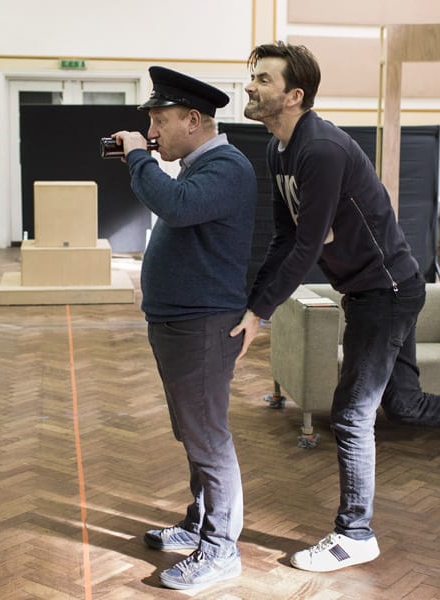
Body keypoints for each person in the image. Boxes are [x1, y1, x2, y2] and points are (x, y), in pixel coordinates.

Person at [230, 42, 440, 573]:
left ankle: (355, 532)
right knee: (405, 405)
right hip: (374, 290)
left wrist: (258, 314)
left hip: (386, 293)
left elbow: (306, 246)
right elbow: (285, 237)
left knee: (352, 412)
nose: (250, 85)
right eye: (253, 77)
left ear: (294, 95)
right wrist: (252, 306)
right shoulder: (278, 150)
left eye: (263, 80)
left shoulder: (322, 150)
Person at [111, 66, 257, 590]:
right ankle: (199, 523)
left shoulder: (227, 166)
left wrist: (135, 157)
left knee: (208, 437)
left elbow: (174, 207)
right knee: (191, 431)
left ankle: (221, 550)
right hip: (178, 323)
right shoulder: (200, 165)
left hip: (200, 326)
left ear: (193, 119)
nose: (152, 132)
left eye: (159, 120)